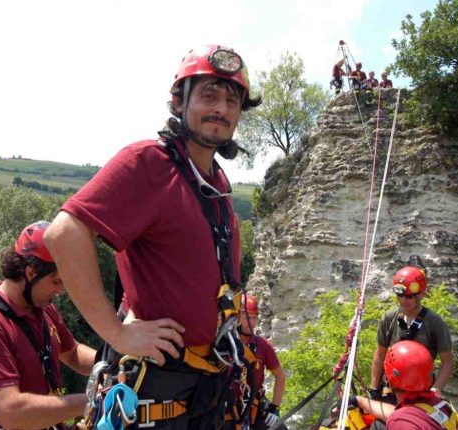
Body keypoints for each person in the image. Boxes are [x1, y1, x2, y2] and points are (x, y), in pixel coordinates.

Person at [44, 44, 262, 429]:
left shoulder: (215, 182)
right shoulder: (148, 163)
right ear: (180, 102)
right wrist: (115, 332)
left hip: (205, 387)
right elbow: (64, 233)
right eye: (208, 94)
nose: (222, 109)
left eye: (232, 99)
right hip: (154, 390)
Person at [0, 221, 97, 430]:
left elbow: (73, 353)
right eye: (56, 282)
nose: (61, 291)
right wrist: (89, 402)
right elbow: (11, 412)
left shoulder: (41, 308)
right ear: (30, 273)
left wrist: (113, 365)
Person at [369, 266, 453, 403]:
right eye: (400, 295)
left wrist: (436, 389)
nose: (403, 300)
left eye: (409, 296)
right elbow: (380, 354)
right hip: (391, 388)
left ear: (421, 294)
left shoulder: (434, 322)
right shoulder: (389, 318)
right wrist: (373, 388)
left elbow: (447, 362)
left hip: (420, 391)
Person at [353, 341, 458, 429]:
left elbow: (401, 419)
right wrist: (360, 401)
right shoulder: (439, 403)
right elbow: (401, 415)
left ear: (389, 380)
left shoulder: (401, 423)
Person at [238, 295, 287, 430]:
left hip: (255, 406)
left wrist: (274, 408)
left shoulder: (262, 346)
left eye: (254, 317)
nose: (251, 322)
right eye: (247, 317)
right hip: (229, 408)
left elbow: (280, 376)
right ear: (236, 316)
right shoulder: (225, 344)